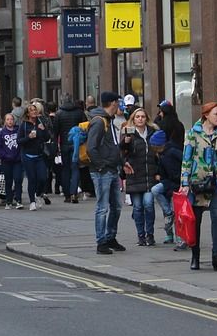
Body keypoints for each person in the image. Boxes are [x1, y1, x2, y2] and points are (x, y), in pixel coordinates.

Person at [180, 102, 217, 271]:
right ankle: (195, 256)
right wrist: (184, 183)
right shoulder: (193, 134)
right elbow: (186, 160)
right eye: (216, 114)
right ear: (206, 115)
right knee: (195, 221)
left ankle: (216, 256)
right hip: (198, 182)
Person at [86, 91, 124, 254]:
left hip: (112, 169)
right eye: (118, 103)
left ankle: (110, 237)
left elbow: (113, 146)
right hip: (102, 171)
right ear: (113, 103)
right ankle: (101, 242)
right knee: (102, 207)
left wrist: (122, 162)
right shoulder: (100, 122)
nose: (119, 106)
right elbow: (91, 148)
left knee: (116, 206)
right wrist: (101, 166)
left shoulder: (109, 120)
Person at [120, 106, 160, 245]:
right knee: (137, 207)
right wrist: (125, 143)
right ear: (133, 119)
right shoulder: (128, 134)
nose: (140, 119)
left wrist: (159, 172)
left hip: (149, 176)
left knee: (149, 205)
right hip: (134, 175)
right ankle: (141, 235)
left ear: (146, 118)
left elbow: (159, 153)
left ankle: (150, 234)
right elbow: (121, 153)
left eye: (143, 116)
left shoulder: (153, 133)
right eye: (137, 117)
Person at [150, 130, 182, 246]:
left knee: (177, 210)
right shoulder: (161, 154)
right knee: (155, 190)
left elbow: (184, 162)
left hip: (177, 182)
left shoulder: (172, 152)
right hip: (168, 181)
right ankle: (168, 213)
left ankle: (179, 238)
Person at [19, 102, 51, 210]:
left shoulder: (40, 122)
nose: (34, 112)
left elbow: (47, 138)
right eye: (32, 110)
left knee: (43, 177)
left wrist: (43, 129)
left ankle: (38, 194)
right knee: (32, 178)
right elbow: (19, 141)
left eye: (35, 110)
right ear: (28, 114)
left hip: (39, 155)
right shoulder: (24, 125)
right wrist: (28, 137)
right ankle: (32, 201)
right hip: (27, 155)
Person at [53, 93, 84, 202]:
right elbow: (84, 127)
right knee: (75, 168)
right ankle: (74, 193)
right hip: (76, 144)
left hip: (65, 144)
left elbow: (55, 132)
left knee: (65, 169)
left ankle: (67, 194)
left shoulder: (59, 114)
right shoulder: (79, 112)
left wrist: (55, 147)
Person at [0, 112, 23, 208]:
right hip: (6, 161)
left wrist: (20, 155)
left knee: (18, 179)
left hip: (18, 160)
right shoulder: (1, 133)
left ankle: (18, 199)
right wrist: (4, 156)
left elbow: (22, 144)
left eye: (11, 119)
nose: (10, 121)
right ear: (5, 121)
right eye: (8, 119)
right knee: (8, 181)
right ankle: (9, 201)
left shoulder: (19, 131)